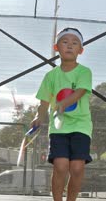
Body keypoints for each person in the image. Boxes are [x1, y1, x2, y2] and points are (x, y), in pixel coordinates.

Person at [31, 27, 92, 201]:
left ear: (81, 50)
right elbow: (43, 103)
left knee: (77, 168)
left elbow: (80, 91)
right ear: (56, 47)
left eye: (74, 43)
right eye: (65, 42)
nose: (69, 46)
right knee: (60, 166)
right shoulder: (50, 76)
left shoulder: (84, 72)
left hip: (81, 126)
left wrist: (63, 104)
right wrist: (39, 117)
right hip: (59, 128)